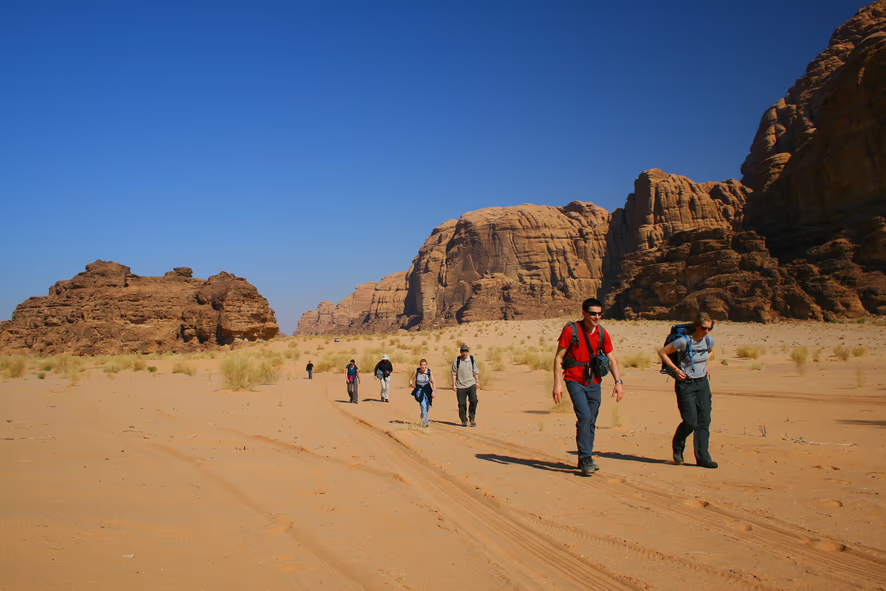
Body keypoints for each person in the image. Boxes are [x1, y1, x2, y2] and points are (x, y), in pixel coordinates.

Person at [552, 297, 625, 476]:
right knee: (584, 416)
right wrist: (557, 384)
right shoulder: (571, 330)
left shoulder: (602, 334)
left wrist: (618, 382)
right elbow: (558, 358)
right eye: (593, 313)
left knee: (591, 419)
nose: (597, 317)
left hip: (594, 382)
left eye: (600, 314)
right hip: (574, 379)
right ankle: (586, 457)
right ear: (584, 313)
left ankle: (586, 456)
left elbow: (612, 359)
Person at [658, 312, 718, 469]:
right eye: (704, 328)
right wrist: (676, 370)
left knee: (704, 421)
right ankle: (678, 443)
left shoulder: (709, 340)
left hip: (702, 383)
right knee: (691, 421)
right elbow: (662, 352)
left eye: (709, 328)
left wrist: (705, 365)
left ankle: (703, 458)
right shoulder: (683, 341)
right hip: (686, 384)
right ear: (696, 326)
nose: (706, 331)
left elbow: (710, 351)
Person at [451, 344, 480, 427]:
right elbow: (453, 373)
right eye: (463, 352)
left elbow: (475, 371)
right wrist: (454, 384)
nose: (464, 353)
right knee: (462, 404)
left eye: (466, 351)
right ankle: (464, 420)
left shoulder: (472, 359)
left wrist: (477, 381)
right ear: (460, 352)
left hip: (471, 384)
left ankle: (472, 417)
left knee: (474, 401)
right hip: (460, 386)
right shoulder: (456, 360)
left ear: (468, 352)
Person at [408, 359, 436, 427]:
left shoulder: (429, 372)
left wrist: (433, 391)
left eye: (424, 365)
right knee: (423, 405)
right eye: (422, 365)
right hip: (419, 390)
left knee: (428, 406)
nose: (423, 366)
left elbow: (433, 382)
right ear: (420, 365)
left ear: (426, 366)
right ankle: (425, 422)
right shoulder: (416, 371)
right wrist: (411, 383)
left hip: (427, 390)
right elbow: (411, 379)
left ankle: (423, 415)